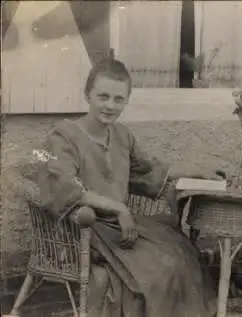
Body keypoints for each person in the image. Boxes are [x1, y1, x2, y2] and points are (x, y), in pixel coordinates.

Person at [26, 56, 221, 317]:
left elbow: (147, 169)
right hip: (81, 227)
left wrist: (196, 170)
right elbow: (64, 185)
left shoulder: (121, 135)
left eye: (119, 99)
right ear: (87, 95)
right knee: (155, 273)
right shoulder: (64, 136)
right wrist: (118, 207)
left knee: (182, 255)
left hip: (119, 225)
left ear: (127, 100)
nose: (110, 105)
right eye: (103, 96)